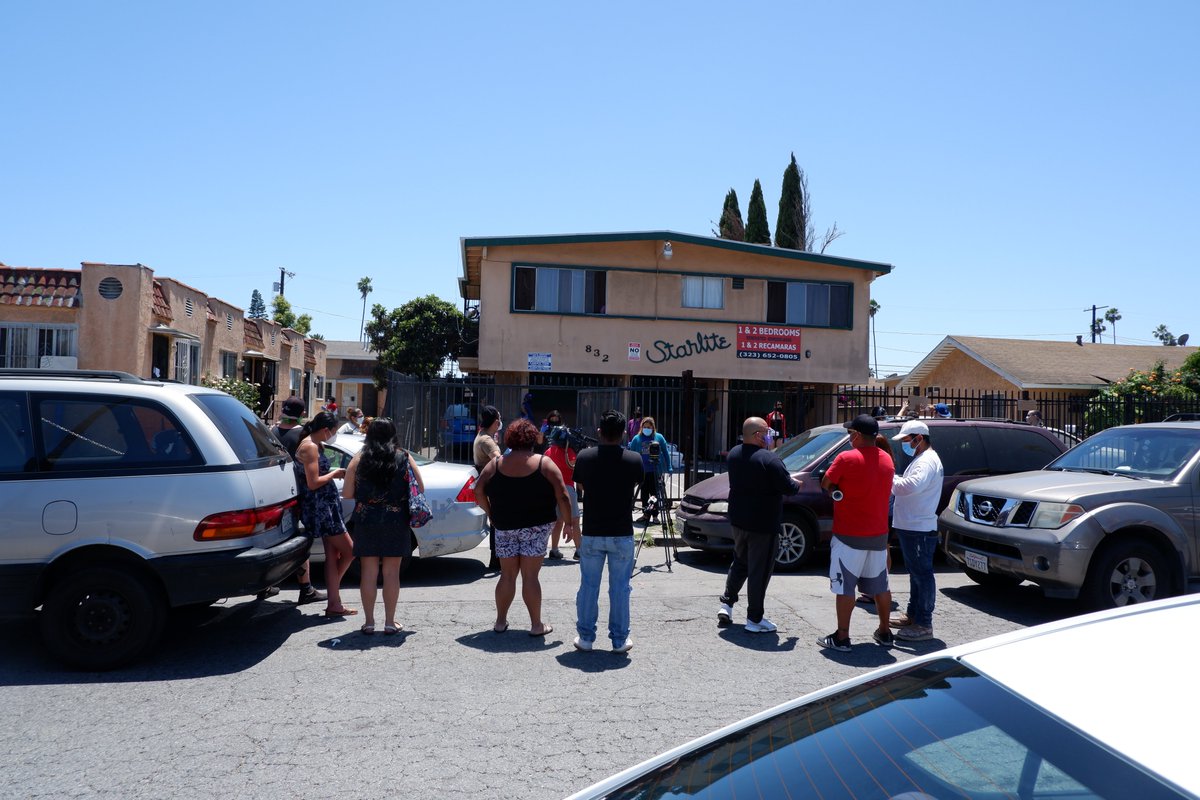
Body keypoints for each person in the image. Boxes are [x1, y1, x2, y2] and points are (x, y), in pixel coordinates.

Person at [474, 418, 575, 636]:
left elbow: (478, 490)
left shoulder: (496, 464)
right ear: (532, 438)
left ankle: (500, 622)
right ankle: (536, 625)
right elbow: (564, 496)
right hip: (536, 528)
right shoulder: (543, 463)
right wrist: (569, 523)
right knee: (531, 577)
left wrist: (491, 513)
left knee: (507, 575)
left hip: (505, 526)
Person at [817, 413, 895, 651]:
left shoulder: (845, 458)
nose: (850, 437)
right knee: (881, 586)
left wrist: (837, 490)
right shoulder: (887, 460)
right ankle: (884, 631)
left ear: (858, 435)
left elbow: (826, 484)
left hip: (849, 535)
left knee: (845, 587)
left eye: (851, 433)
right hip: (878, 535)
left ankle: (842, 637)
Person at [717, 417, 800, 633]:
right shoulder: (770, 459)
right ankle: (754, 618)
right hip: (762, 524)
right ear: (757, 435)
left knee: (740, 562)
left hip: (738, 520)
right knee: (759, 571)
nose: (770, 435)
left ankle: (727, 603)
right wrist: (796, 483)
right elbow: (789, 487)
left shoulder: (734, 454)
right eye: (766, 431)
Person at [572, 410, 644, 653]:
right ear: (624, 433)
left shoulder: (584, 457)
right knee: (620, 588)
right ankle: (619, 639)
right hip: (621, 531)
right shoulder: (634, 459)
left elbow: (580, 485)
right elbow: (636, 483)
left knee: (589, 586)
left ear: (599, 432)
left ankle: (586, 637)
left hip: (592, 530)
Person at [343, 418, 422, 636]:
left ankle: (369, 623)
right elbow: (420, 487)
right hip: (396, 520)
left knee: (368, 572)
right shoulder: (403, 456)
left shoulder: (359, 459)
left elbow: (347, 494)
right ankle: (389, 622)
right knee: (391, 573)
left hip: (366, 519)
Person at [266, 396, 326, 605]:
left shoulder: (270, 431)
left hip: (272, 493)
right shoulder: (302, 435)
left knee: (274, 538)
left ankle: (268, 583)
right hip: (296, 494)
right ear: (301, 414)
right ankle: (306, 587)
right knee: (299, 541)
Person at [295, 411, 356, 617]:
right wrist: (335, 474)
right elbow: (313, 483)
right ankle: (334, 595)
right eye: (333, 431)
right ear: (325, 430)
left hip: (327, 506)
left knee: (333, 555)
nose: (334, 435)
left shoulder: (315, 444)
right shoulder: (310, 446)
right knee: (350, 551)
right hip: (321, 508)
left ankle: (334, 603)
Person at [889, 420, 944, 642]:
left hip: (918, 527)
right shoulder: (923, 459)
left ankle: (924, 623)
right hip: (912, 525)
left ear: (918, 439)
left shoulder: (927, 461)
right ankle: (913, 615)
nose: (905, 444)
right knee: (916, 573)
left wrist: (889, 478)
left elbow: (911, 486)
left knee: (922, 574)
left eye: (906, 440)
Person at [473, 405, 503, 571]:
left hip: (488, 483)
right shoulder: (486, 440)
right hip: (492, 484)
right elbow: (499, 461)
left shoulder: (484, 436)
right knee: (496, 522)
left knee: (495, 522)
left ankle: (496, 558)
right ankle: (496, 559)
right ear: (496, 421)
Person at [544, 425, 579, 560]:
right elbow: (575, 467)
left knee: (557, 521)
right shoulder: (569, 452)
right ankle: (579, 551)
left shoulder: (548, 452)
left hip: (552, 489)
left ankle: (554, 549)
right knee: (574, 520)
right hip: (568, 488)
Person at [627, 416, 669, 523]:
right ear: (641, 427)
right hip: (642, 471)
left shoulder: (658, 437)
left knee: (654, 494)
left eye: (649, 427)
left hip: (656, 471)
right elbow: (631, 454)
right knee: (644, 493)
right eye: (645, 427)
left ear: (653, 427)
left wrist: (669, 466)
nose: (647, 429)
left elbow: (665, 452)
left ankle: (655, 515)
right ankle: (646, 514)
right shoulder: (637, 439)